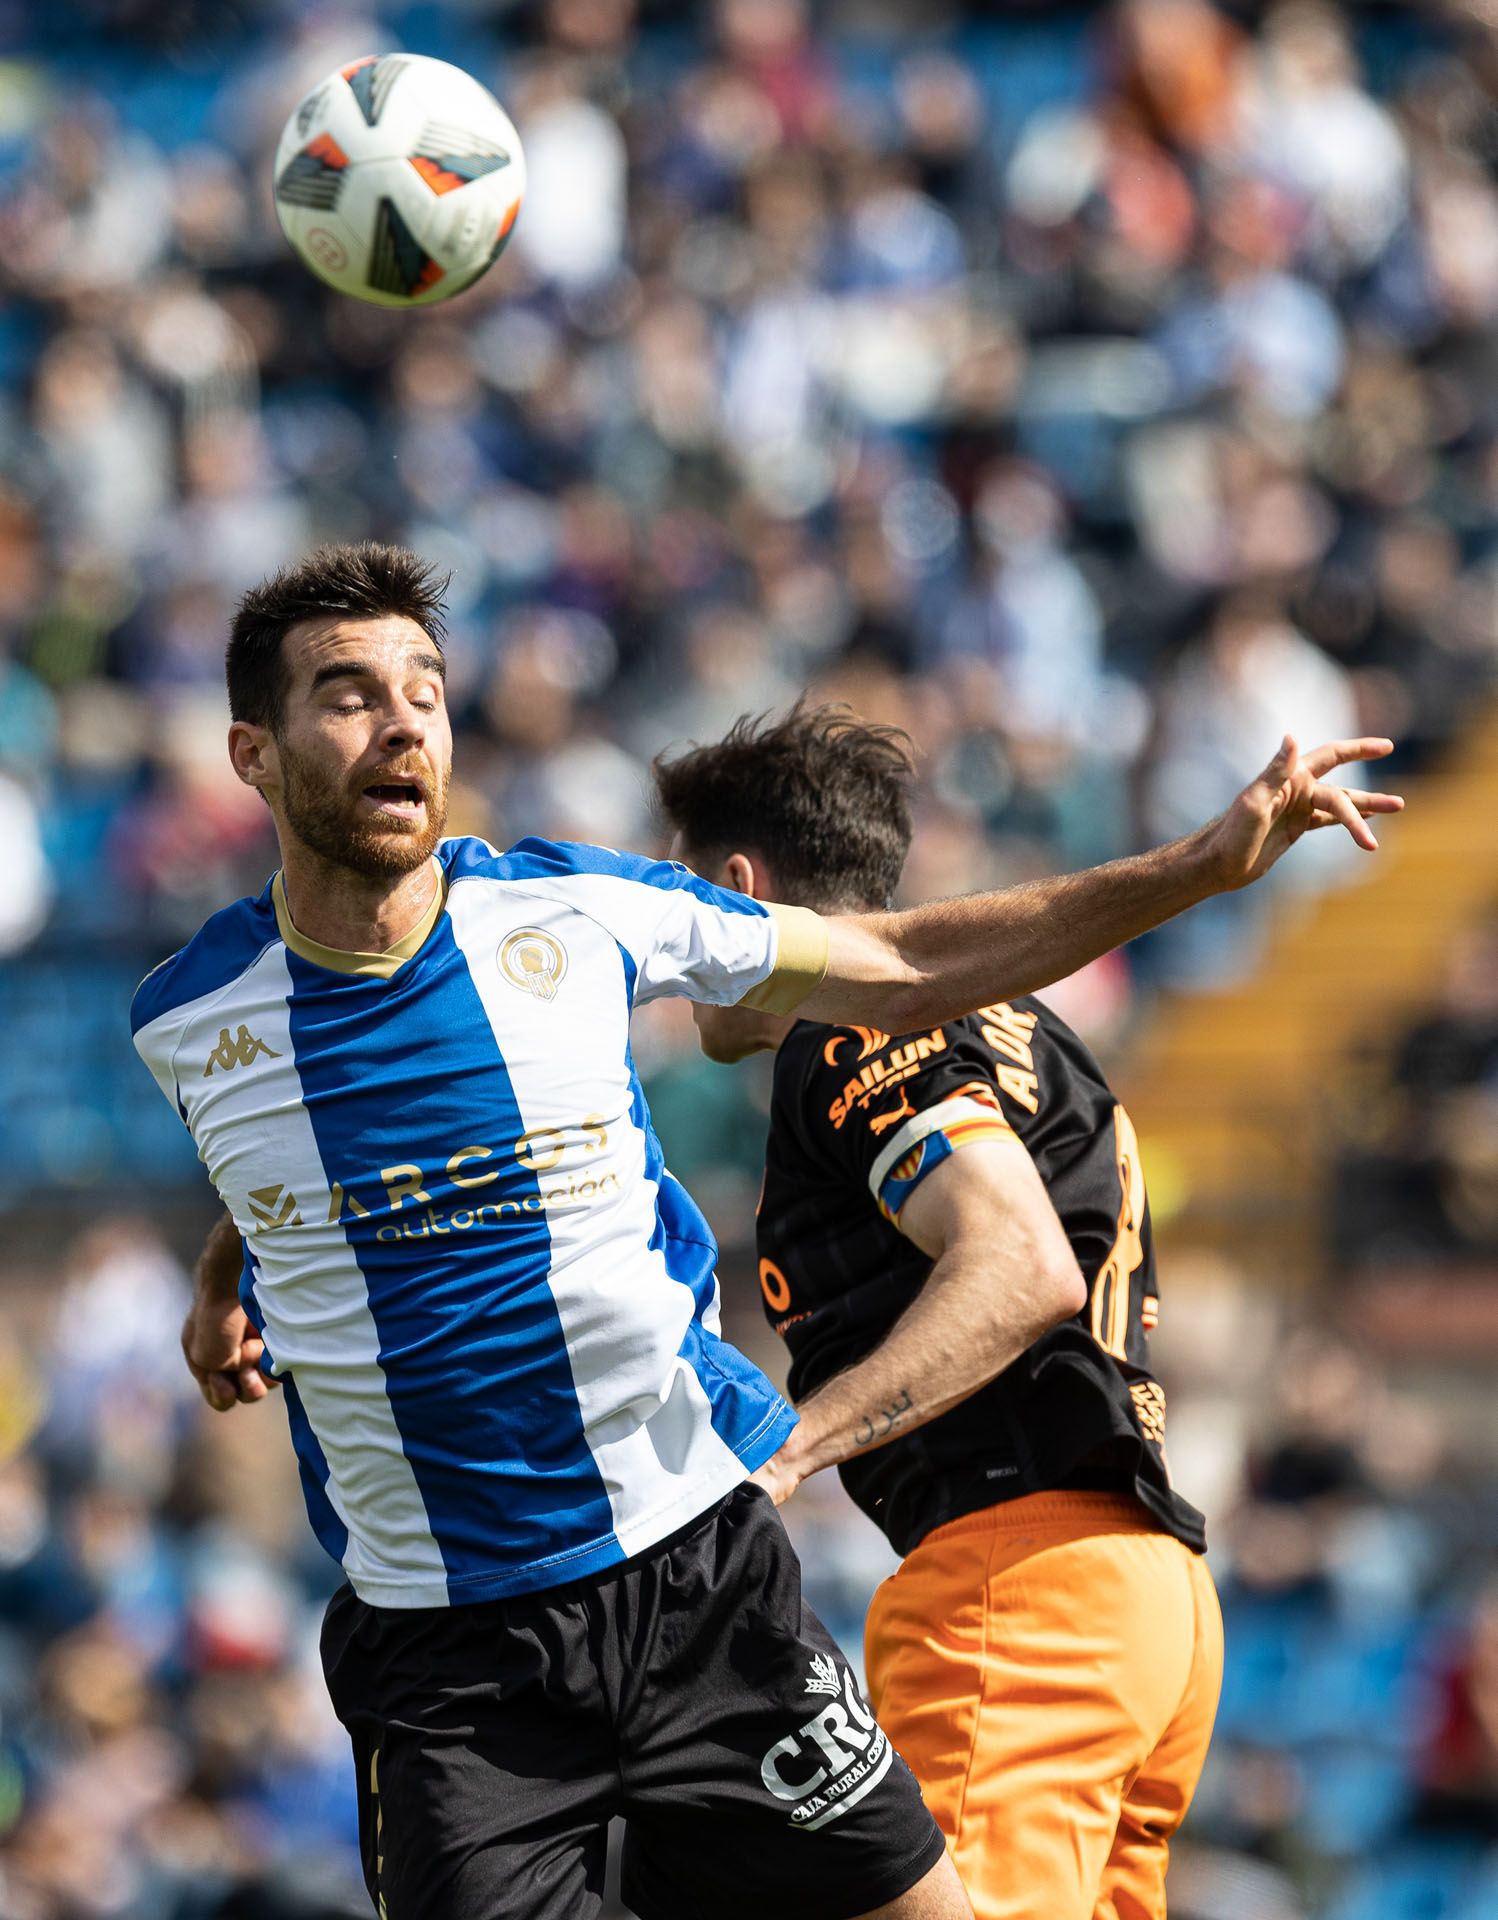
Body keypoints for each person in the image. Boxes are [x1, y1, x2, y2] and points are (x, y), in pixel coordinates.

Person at [141, 545, 1399, 1920]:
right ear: (252, 755)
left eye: (425, 692)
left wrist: (1205, 866)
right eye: (347, 695)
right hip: (450, 1663)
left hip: (699, 1579)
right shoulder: (187, 1019)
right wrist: (230, 1270)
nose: (401, 723)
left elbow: (909, 962)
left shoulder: (580, 914)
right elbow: (286, 1151)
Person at [654, 703, 1371, 1920]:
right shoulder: (1029, 1023)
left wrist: (791, 1454)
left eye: (676, 908)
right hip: (1150, 1596)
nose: (669, 959)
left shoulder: (845, 1032)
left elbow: (1016, 1261)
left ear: (735, 885)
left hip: (1018, 1578)